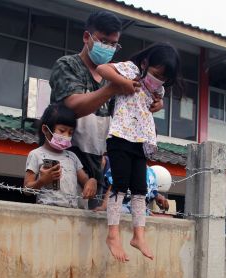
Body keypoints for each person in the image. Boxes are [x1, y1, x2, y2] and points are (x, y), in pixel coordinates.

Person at [49, 10, 163, 209]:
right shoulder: (68, 66)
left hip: (99, 171)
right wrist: (114, 88)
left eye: (113, 44)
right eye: (104, 41)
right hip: (63, 166)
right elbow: (72, 107)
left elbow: (129, 119)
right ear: (87, 37)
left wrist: (153, 104)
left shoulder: (117, 75)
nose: (108, 48)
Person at [95, 43, 182, 262]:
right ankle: (113, 234)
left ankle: (138, 235)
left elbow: (158, 100)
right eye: (156, 74)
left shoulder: (157, 89)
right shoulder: (132, 70)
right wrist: (123, 82)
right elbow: (103, 69)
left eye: (164, 78)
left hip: (140, 140)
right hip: (120, 136)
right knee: (120, 184)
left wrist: (160, 104)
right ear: (145, 63)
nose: (158, 81)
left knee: (140, 189)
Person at [24, 103, 97, 209]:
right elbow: (27, 189)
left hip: (71, 214)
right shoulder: (36, 154)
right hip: (47, 213)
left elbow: (85, 180)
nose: (66, 136)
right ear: (45, 129)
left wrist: (92, 181)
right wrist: (42, 181)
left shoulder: (72, 157)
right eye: (62, 131)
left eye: (70, 133)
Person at [96, 160, 172, 215]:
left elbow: (152, 192)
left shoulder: (151, 172)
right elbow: (112, 188)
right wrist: (104, 207)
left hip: (141, 214)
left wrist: (159, 197)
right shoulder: (121, 165)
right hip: (122, 212)